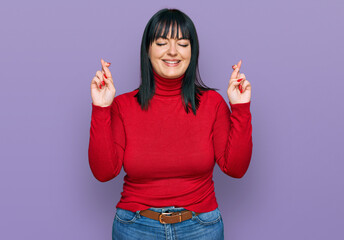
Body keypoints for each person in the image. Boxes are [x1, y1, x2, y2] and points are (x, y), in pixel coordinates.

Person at [88, 8, 252, 240]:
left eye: (183, 44)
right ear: (147, 49)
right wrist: (102, 107)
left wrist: (240, 107)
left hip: (201, 228)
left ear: (192, 52)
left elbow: (236, 169)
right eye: (162, 42)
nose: (173, 52)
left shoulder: (212, 103)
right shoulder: (123, 105)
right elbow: (104, 172)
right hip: (135, 228)